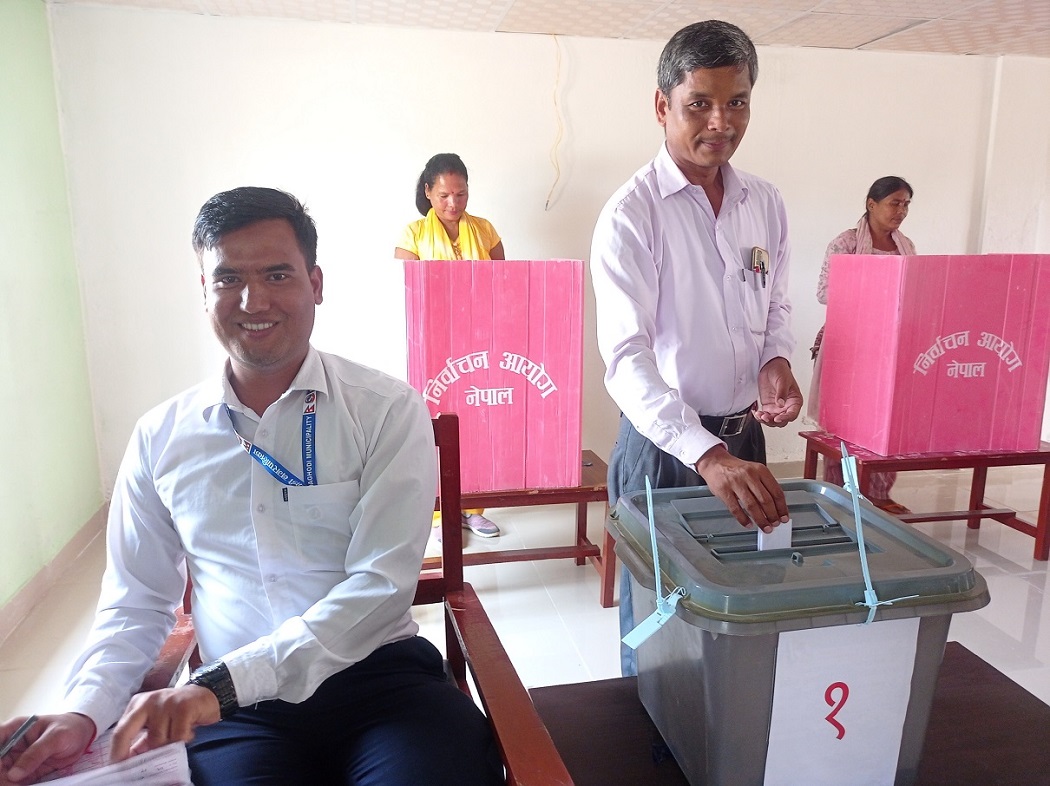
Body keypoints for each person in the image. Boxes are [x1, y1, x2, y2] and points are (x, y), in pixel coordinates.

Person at [0, 187, 502, 786]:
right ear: (203, 291)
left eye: (276, 274)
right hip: (237, 713)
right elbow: (136, 602)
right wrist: (83, 711)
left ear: (316, 284)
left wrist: (222, 684)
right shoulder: (161, 437)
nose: (252, 300)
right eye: (228, 278)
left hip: (379, 683)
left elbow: (380, 587)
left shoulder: (385, 410)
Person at [590, 20, 802, 676]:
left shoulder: (764, 203)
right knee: (661, 635)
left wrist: (775, 362)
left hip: (744, 444)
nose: (721, 122)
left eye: (737, 102)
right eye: (699, 104)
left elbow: (776, 306)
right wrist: (706, 454)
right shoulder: (632, 215)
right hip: (666, 454)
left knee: (741, 618)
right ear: (662, 105)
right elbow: (626, 359)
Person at [395, 153, 504, 538]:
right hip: (433, 345)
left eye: (461, 194)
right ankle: (441, 513)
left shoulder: (485, 230)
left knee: (479, 424)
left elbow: (503, 285)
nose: (453, 203)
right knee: (433, 428)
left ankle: (474, 508)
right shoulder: (413, 235)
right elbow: (406, 291)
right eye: (444, 195)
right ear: (428, 192)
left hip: (480, 342)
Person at [810, 176, 916, 513]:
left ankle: (880, 495)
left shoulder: (906, 246)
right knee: (844, 423)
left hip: (892, 346)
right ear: (872, 204)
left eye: (906, 204)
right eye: (894, 203)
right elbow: (825, 292)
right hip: (851, 346)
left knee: (888, 421)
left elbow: (915, 290)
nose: (901, 211)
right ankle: (839, 493)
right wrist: (873, 292)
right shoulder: (846, 243)